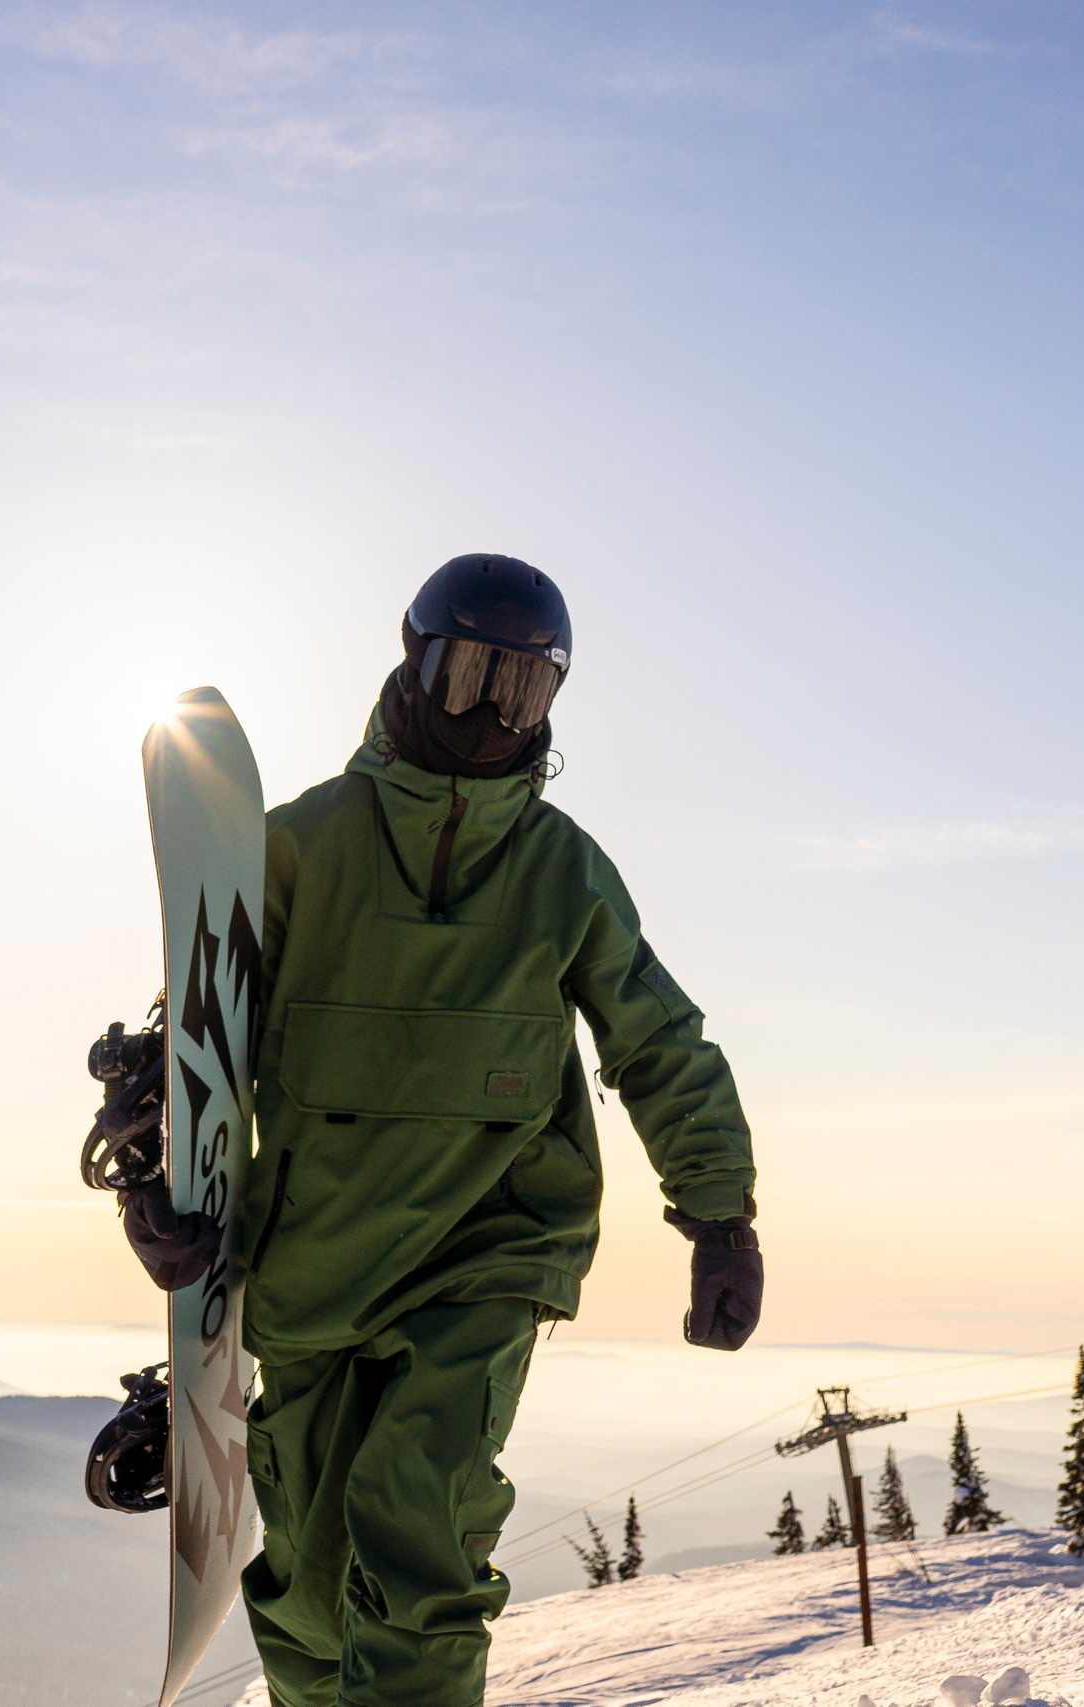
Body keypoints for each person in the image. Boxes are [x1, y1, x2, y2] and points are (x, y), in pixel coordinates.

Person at [114, 553, 761, 1707]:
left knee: (419, 1523)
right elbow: (196, 1028)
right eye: (467, 675)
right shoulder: (304, 844)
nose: (489, 713)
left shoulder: (562, 871)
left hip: (490, 1248)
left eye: (522, 691)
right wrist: (161, 1182)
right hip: (314, 1260)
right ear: (411, 665)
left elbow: (658, 1040)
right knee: (306, 1588)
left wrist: (719, 1213)